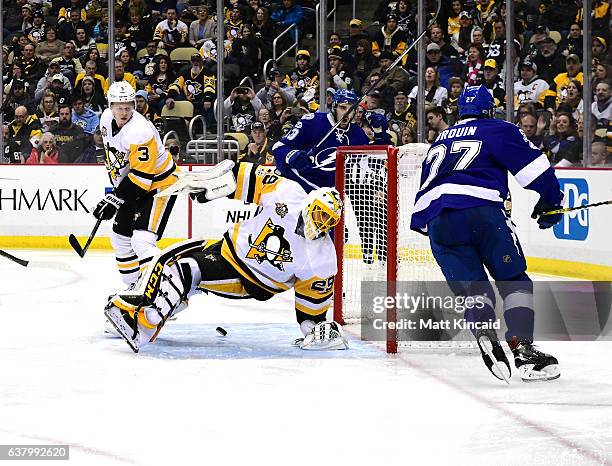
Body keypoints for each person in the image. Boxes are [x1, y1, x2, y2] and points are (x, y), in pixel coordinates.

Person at [104, 162, 346, 353]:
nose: (321, 223)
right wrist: (211, 188)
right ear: (309, 203)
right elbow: (245, 176)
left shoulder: (322, 258)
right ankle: (140, 307)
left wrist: (315, 331)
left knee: (185, 270)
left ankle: (146, 324)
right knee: (172, 267)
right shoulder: (288, 193)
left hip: (250, 280)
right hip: (225, 250)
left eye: (329, 221)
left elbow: (309, 314)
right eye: (319, 214)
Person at [410, 85, 563, 383]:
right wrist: (551, 202)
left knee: (473, 289)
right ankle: (523, 349)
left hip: (437, 220)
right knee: (514, 279)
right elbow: (535, 170)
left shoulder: (441, 137)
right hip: (481, 210)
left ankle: (483, 329)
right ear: (489, 110)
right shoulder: (497, 129)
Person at [96, 81, 180, 286]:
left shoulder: (140, 131)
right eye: (119, 107)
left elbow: (142, 180)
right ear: (110, 106)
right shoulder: (106, 119)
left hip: (160, 185)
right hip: (134, 185)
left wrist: (114, 199)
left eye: (128, 106)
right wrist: (115, 194)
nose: (124, 112)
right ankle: (134, 288)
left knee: (142, 240)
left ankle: (165, 292)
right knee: (120, 238)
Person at [272, 89, 389, 193]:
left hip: (332, 198)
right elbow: (278, 147)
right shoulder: (311, 122)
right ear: (334, 107)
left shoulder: (358, 134)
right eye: (343, 108)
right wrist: (290, 155)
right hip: (300, 189)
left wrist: (379, 134)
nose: (346, 113)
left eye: (351, 109)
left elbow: (375, 163)